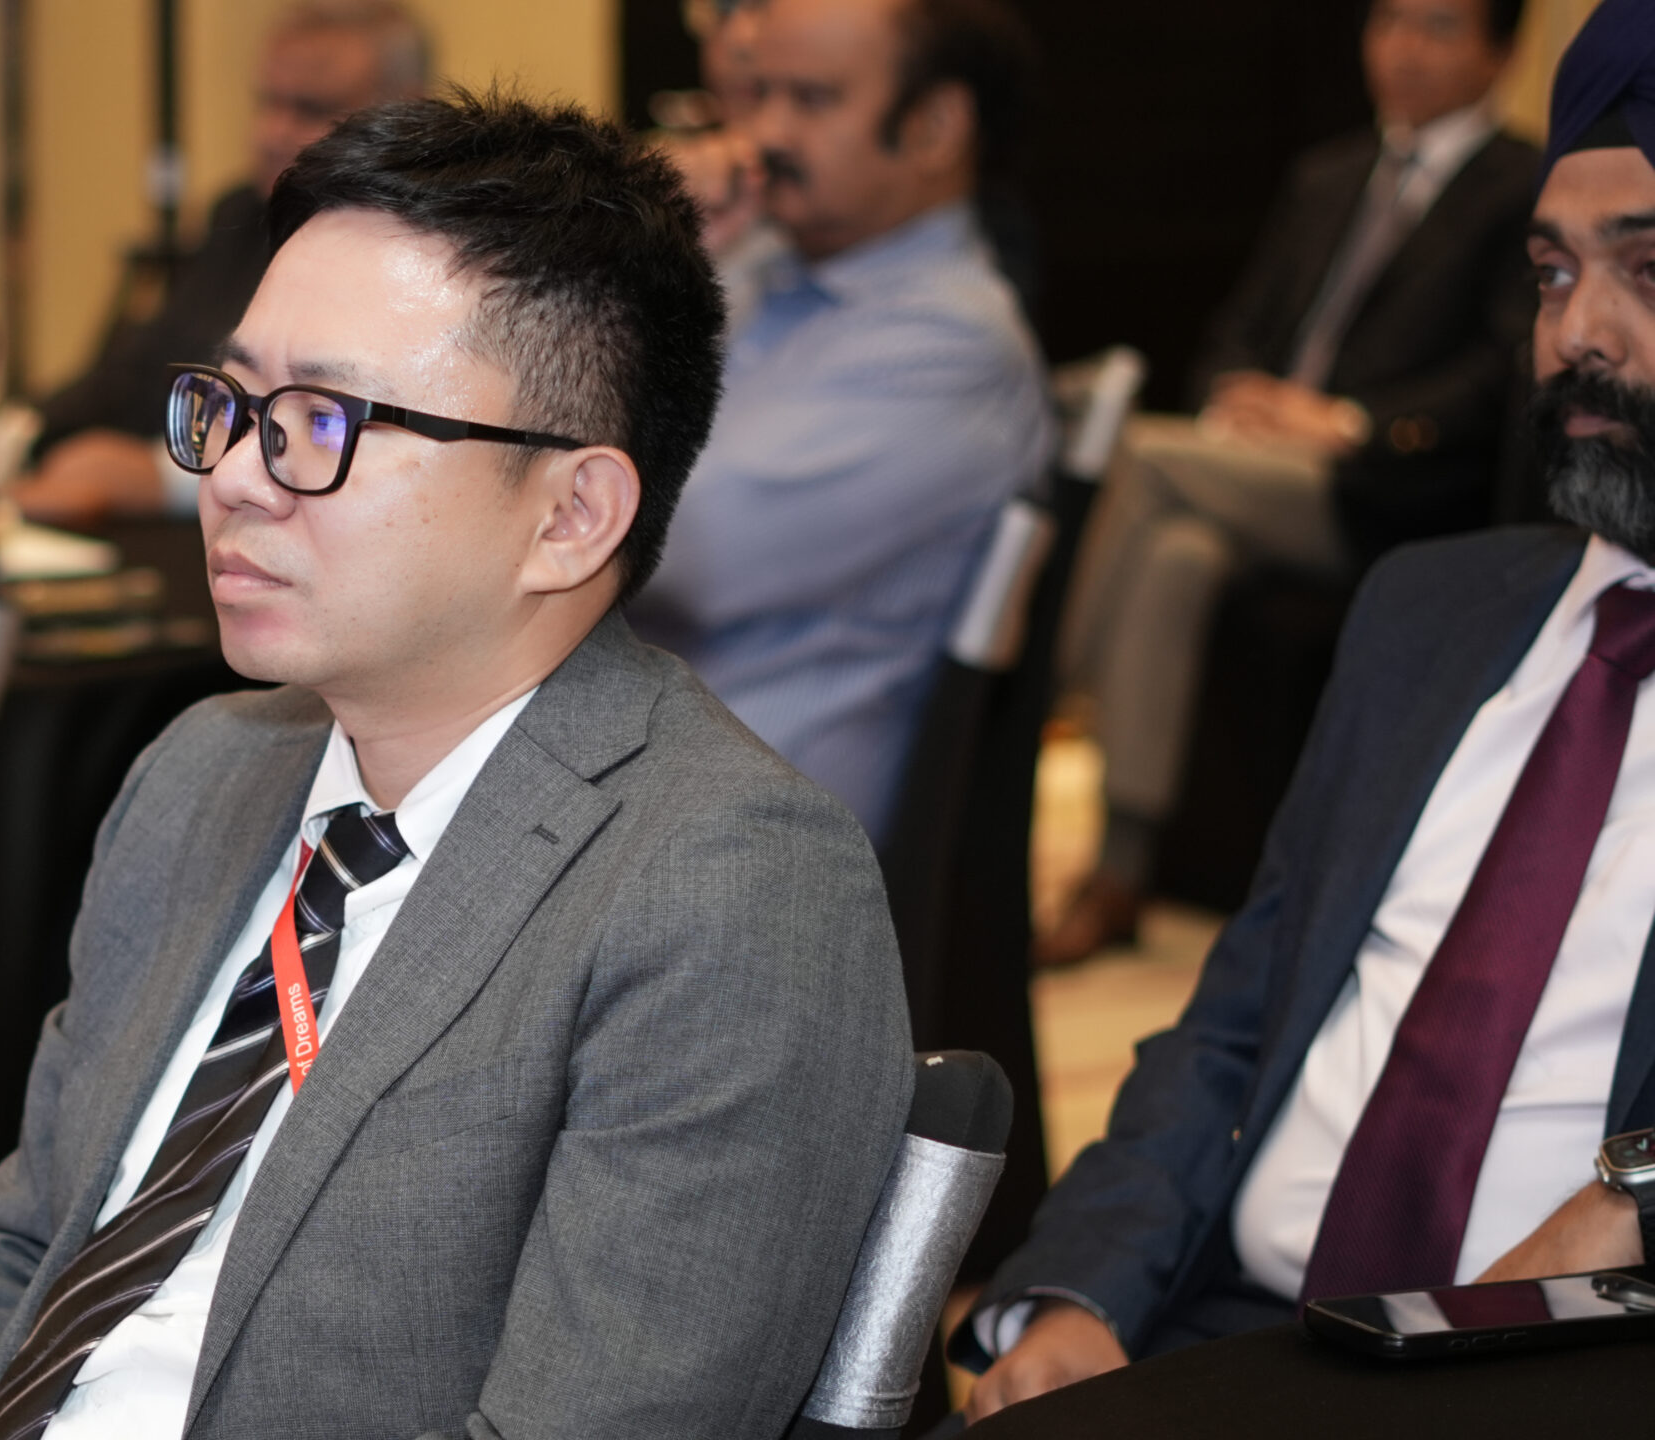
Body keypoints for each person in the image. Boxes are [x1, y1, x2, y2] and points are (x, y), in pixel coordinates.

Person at [0, 91, 913, 1440]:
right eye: (231, 404)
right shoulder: (202, 773)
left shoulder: (725, 888)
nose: (234, 476)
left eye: (323, 419)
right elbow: (28, 1249)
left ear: (571, 516)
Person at [954, 9, 1655, 1421]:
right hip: (1223, 1327)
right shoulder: (1430, 615)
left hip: (1546, 1368)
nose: (1576, 332)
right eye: (1551, 273)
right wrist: (1080, 1289)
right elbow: (1234, 1015)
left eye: (1646, 270)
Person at [1039, 0, 1542, 966]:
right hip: (1260, 466)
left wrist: (1350, 423)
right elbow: (1240, 327)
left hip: (1391, 482)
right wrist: (1241, 399)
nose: (1404, 50)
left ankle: (1030, 707)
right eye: (1389, 23)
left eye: (1438, 28)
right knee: (1178, 553)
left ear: (1503, 52)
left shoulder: (1522, 186)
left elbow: (1500, 372)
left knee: (1141, 454)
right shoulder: (1329, 174)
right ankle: (1121, 870)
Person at [628, 0, 1053, 846]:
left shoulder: (952, 344)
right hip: (642, 757)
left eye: (813, 99)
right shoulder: (756, 256)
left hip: (738, 826)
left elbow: (670, 548)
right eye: (760, 93)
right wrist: (662, 260)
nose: (765, 132)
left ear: (934, 126)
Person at [11, 0, 430, 526]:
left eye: (309, 109)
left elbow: (365, 447)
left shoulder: (415, 262)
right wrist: (17, 434)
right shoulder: (240, 216)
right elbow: (137, 373)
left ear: (404, 114)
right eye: (266, 102)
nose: (271, 132)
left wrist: (159, 476)